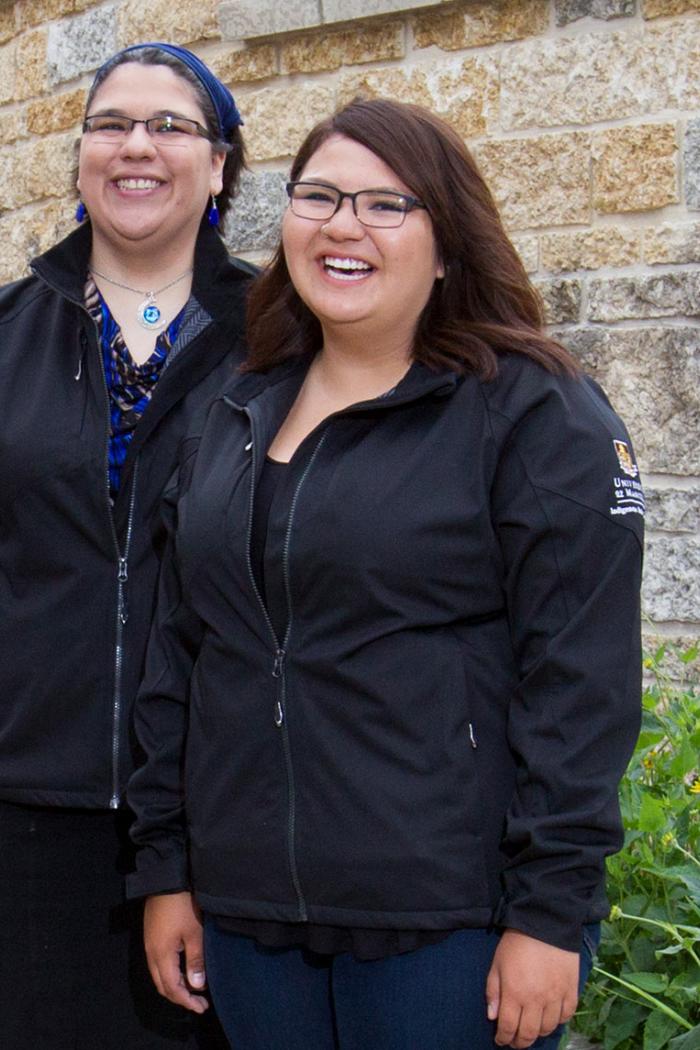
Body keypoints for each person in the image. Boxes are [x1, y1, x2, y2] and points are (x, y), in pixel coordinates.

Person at [128, 98, 644, 1050]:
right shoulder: (231, 410)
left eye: (386, 204)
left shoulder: (533, 414)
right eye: (317, 196)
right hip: (248, 917)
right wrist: (168, 868)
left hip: (444, 920)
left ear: (448, 245)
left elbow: (580, 677)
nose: (342, 225)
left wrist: (549, 911)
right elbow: (178, 653)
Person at [0, 41, 253, 1050]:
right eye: (109, 124)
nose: (134, 146)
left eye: (170, 126)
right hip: (24, 810)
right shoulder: (10, 335)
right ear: (79, 159)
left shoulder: (282, 340)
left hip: (225, 815)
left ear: (222, 165)